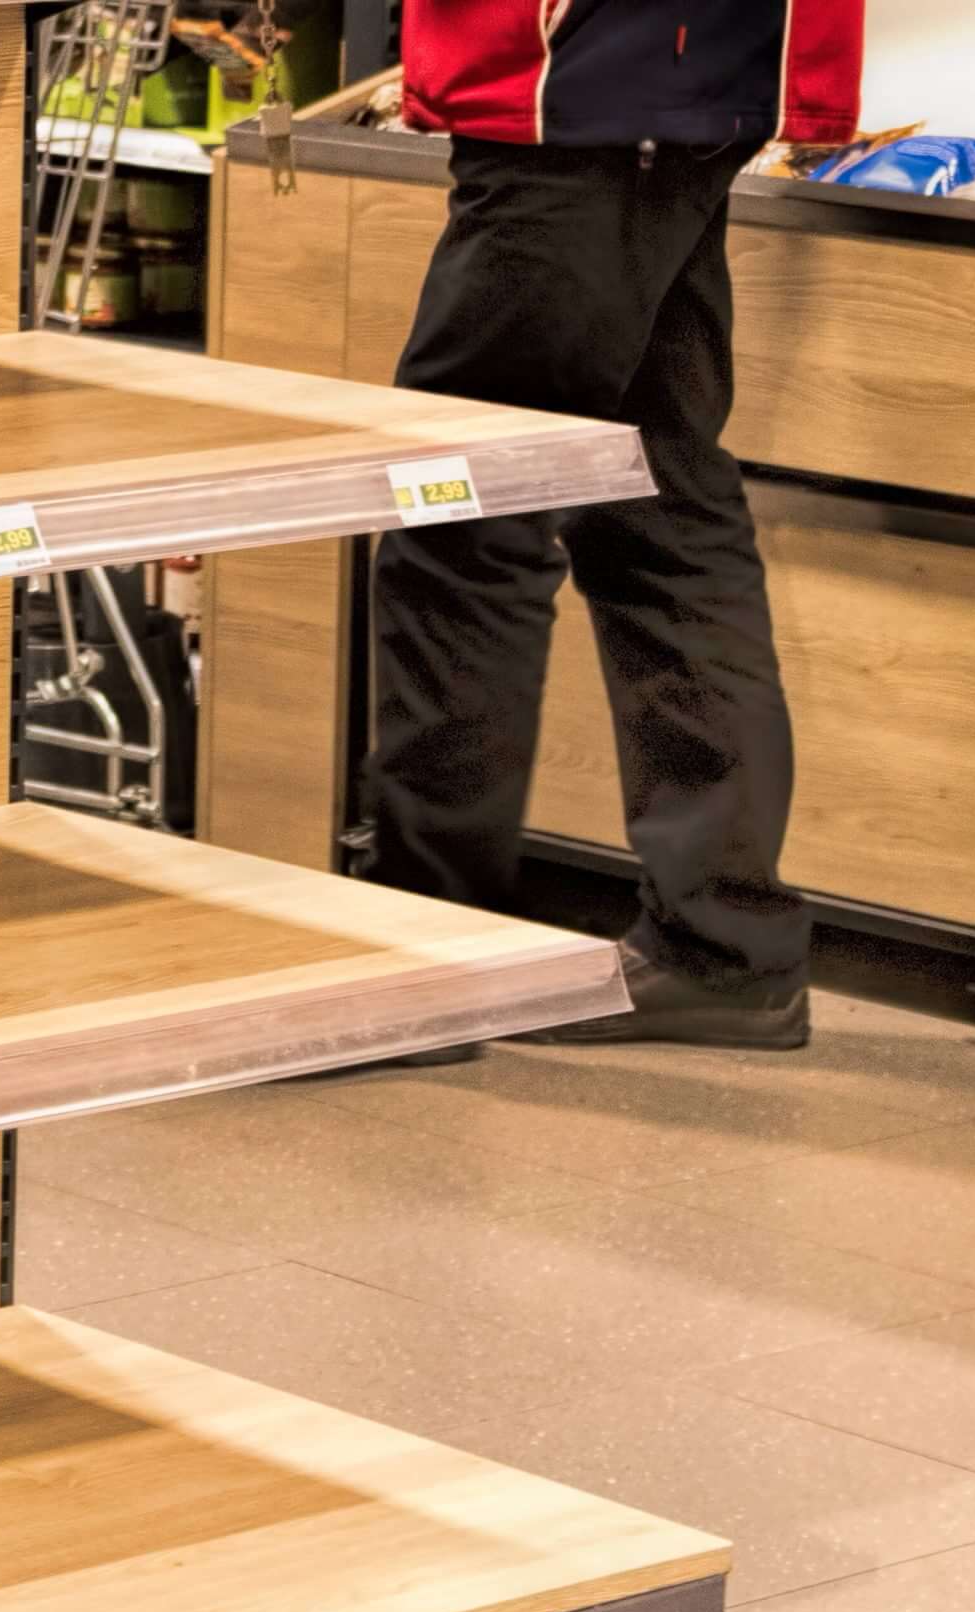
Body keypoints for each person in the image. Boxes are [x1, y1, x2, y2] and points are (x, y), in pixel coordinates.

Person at [362, 0, 866, 1050]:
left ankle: (424, 955)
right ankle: (724, 947)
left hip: (594, 83)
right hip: (657, 87)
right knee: (659, 511)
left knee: (463, 519)